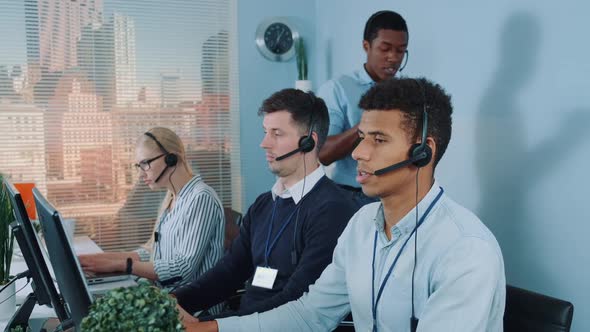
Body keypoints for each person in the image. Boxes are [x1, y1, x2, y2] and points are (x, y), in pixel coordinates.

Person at [186, 78, 506, 331]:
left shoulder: (465, 250)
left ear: (423, 151)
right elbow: (310, 315)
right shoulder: (362, 225)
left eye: (378, 140)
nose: (358, 153)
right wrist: (212, 328)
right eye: (361, 137)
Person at [173, 89, 358, 321]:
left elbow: (297, 299)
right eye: (265, 132)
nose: (264, 144)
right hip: (245, 323)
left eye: (277, 134)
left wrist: (214, 326)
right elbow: (228, 272)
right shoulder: (264, 205)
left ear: (308, 143)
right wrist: (169, 303)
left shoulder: (333, 210)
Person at [79, 127, 225, 291]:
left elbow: (182, 269)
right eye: (138, 166)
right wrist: (99, 260)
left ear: (172, 159)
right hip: (163, 296)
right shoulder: (171, 197)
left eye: (145, 164)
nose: (141, 174)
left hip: (192, 306)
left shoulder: (201, 198)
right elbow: (152, 252)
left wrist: (123, 265)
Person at [318, 10, 409, 206]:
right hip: (351, 196)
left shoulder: (408, 93)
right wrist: (368, 126)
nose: (393, 57)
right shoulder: (338, 89)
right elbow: (322, 153)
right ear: (366, 46)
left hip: (396, 195)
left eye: (400, 50)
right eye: (385, 49)